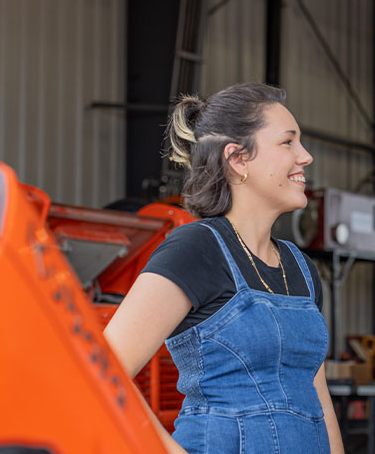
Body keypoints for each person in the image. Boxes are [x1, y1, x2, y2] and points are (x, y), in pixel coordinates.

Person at [103, 82, 344, 454]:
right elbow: (103, 372)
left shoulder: (301, 268)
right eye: (288, 142)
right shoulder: (196, 249)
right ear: (237, 159)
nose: (306, 156)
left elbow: (318, 396)